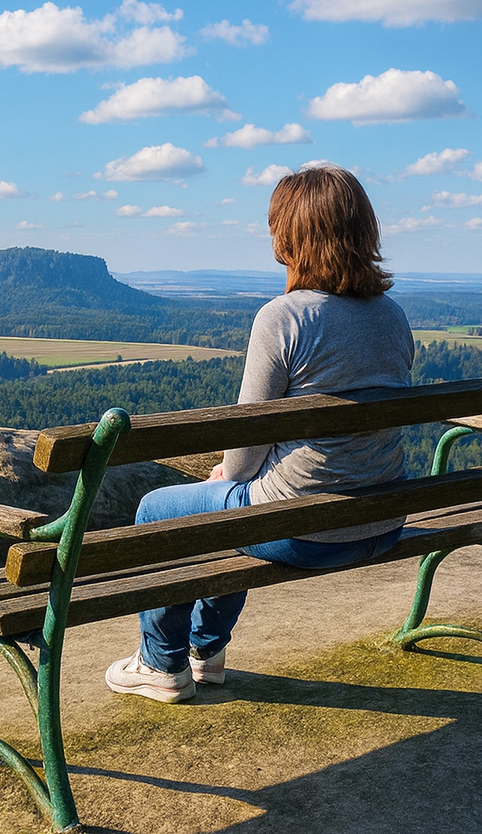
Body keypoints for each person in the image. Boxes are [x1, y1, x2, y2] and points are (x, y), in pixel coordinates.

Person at [105, 164, 414, 702]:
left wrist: (229, 472)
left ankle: (161, 663)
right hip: (382, 520)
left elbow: (249, 437)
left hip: (307, 533)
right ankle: (207, 652)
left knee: (160, 507)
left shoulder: (284, 317)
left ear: (293, 236)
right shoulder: (393, 316)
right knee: (238, 502)